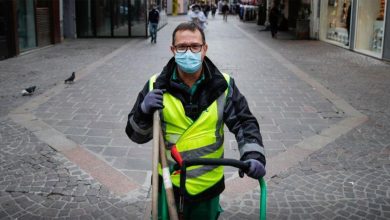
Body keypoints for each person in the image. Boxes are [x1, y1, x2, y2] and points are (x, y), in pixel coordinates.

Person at [126, 22, 266, 219]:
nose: (189, 52)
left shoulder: (223, 85)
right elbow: (136, 136)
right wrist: (143, 111)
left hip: (207, 187)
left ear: (204, 49)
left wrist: (253, 154)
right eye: (182, 47)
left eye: (195, 46)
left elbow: (244, 123)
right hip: (168, 183)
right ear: (173, 50)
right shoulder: (155, 86)